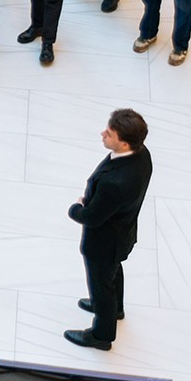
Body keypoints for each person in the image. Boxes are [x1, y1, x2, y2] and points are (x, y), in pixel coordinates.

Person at [63, 110, 152, 350]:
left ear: (123, 143)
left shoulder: (115, 184)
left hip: (104, 243)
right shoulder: (142, 156)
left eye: (109, 133)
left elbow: (91, 218)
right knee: (113, 273)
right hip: (121, 235)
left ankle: (102, 334)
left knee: (101, 285)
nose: (103, 134)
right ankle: (116, 309)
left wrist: (76, 208)